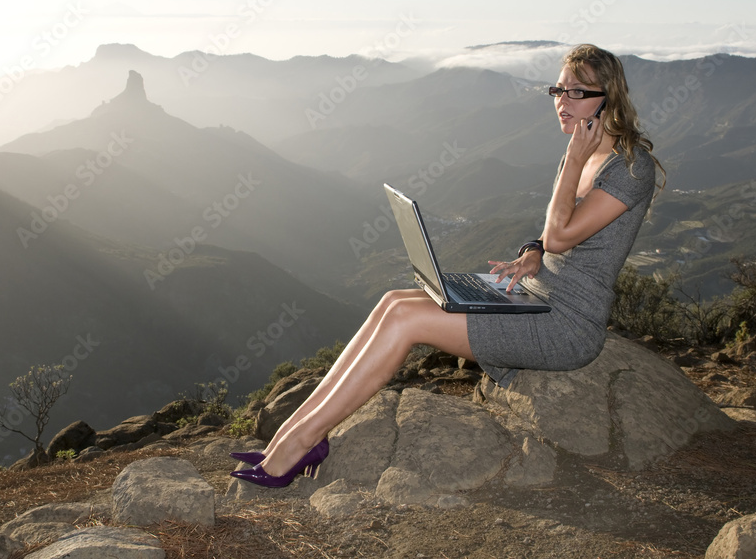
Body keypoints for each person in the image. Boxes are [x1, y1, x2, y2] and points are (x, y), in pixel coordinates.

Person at [230, 43, 666, 488]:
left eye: (577, 92)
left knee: (406, 321)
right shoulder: (580, 152)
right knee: (392, 300)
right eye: (558, 90)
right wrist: (533, 250)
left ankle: (298, 444)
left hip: (566, 325)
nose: (561, 102)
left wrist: (569, 172)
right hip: (532, 298)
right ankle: (289, 435)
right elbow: (554, 236)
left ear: (608, 98)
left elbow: (562, 233)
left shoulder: (629, 168)